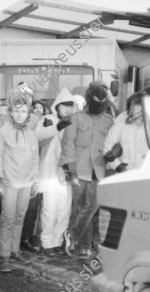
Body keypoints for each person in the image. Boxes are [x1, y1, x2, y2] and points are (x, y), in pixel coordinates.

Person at [60, 81, 114, 259]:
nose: (99, 107)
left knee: (92, 206)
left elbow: (113, 142)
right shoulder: (76, 118)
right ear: (89, 100)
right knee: (80, 208)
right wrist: (71, 171)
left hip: (98, 170)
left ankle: (71, 235)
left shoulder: (108, 120)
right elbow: (68, 145)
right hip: (79, 170)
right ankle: (84, 247)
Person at [0, 92, 39, 271]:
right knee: (8, 219)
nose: (20, 114)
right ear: (11, 112)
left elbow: (35, 159)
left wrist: (35, 181)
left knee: (20, 218)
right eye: (16, 111)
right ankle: (4, 256)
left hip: (26, 183)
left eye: (23, 111)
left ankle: (14, 250)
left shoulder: (32, 134)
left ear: (28, 113)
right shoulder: (2, 130)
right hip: (9, 182)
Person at [34, 88, 75, 257]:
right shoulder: (47, 120)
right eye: (64, 106)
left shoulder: (74, 122)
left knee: (64, 210)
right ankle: (47, 242)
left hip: (66, 173)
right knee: (49, 209)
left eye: (70, 106)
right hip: (49, 172)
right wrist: (58, 126)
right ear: (57, 107)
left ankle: (58, 240)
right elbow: (38, 136)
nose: (67, 109)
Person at [103, 91, 150, 173]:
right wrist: (118, 167)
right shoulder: (120, 126)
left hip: (149, 174)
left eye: (138, 107)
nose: (134, 110)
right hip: (126, 175)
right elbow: (107, 148)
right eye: (132, 106)